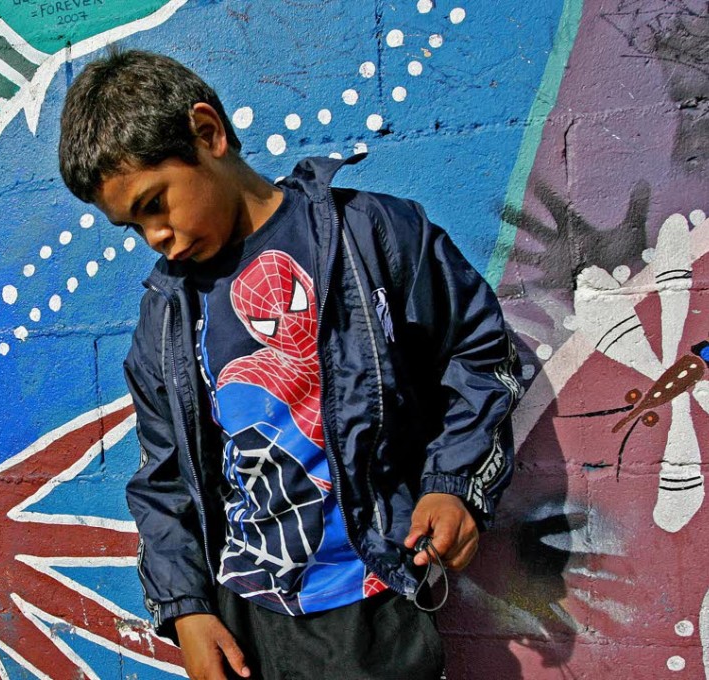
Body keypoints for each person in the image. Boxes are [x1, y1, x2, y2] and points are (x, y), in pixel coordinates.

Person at [58, 48, 521, 680]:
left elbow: (478, 351)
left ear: (208, 133)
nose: (155, 237)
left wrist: (454, 483)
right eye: (133, 227)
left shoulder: (368, 236)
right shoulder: (165, 319)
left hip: (373, 606)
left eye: (155, 203)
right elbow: (163, 477)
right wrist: (187, 609)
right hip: (246, 623)